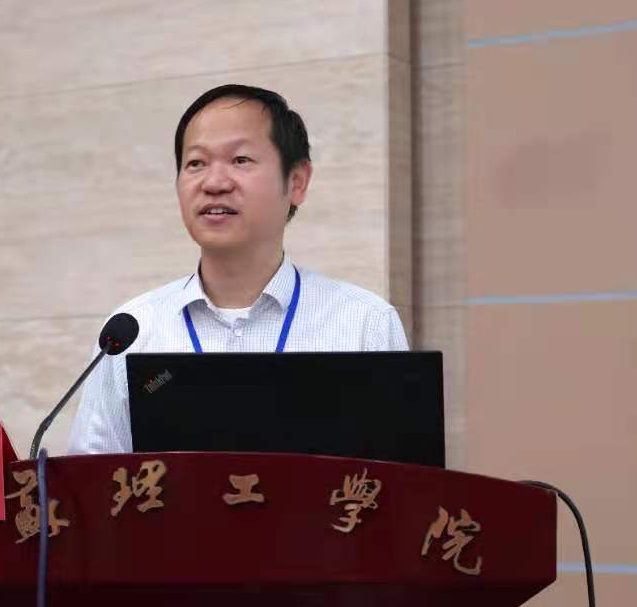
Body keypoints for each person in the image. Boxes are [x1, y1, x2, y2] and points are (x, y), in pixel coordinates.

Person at [66, 84, 409, 454]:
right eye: (196, 163)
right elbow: (92, 479)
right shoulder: (132, 331)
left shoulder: (363, 324)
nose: (214, 183)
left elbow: (403, 480)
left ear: (296, 182)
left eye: (241, 160)